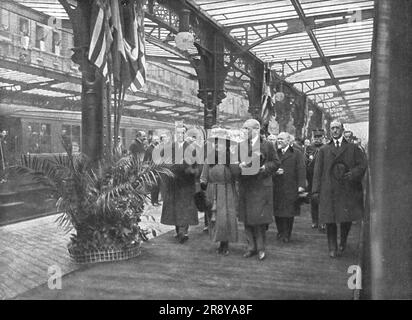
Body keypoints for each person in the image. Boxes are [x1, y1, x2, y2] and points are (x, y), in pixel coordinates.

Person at [312, 120, 367, 258]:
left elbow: (362, 165)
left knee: (345, 219)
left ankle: (343, 241)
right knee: (330, 220)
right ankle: (332, 248)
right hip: (328, 189)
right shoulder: (323, 150)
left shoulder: (353, 148)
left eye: (337, 128)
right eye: (332, 128)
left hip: (347, 189)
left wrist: (353, 174)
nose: (334, 131)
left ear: (342, 129)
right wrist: (315, 191)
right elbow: (317, 172)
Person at [238, 119, 280, 261]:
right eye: (243, 128)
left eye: (246, 128)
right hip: (246, 186)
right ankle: (251, 247)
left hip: (261, 186)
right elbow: (235, 163)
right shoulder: (240, 146)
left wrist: (264, 168)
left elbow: (276, 162)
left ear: (256, 129)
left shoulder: (268, 145)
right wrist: (239, 166)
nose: (244, 131)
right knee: (247, 219)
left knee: (259, 219)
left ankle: (261, 248)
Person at [200, 128, 240, 255]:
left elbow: (236, 174)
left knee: (226, 219)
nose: (217, 145)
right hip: (212, 191)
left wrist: (234, 162)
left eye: (221, 142)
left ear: (226, 145)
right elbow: (204, 175)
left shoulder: (232, 158)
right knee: (215, 219)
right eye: (216, 142)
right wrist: (202, 184)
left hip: (227, 191)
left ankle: (225, 244)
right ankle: (219, 242)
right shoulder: (209, 159)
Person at [160, 126, 200, 243]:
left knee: (185, 207)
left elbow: (198, 164)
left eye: (182, 133)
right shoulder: (169, 147)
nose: (179, 135)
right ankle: (178, 230)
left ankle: (184, 232)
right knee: (175, 208)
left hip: (186, 182)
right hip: (173, 182)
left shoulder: (192, 148)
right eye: (177, 133)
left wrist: (193, 171)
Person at [273, 132, 306, 243]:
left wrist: (301, 186)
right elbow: (270, 167)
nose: (279, 141)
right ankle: (280, 231)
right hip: (277, 187)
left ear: (288, 141)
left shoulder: (296, 153)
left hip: (290, 187)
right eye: (278, 139)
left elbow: (301, 170)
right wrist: (274, 172)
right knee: (277, 212)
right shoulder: (274, 153)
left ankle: (287, 234)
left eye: (281, 139)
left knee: (289, 212)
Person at [305, 129, 326, 230]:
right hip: (312, 177)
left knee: (324, 200)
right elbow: (306, 162)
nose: (317, 139)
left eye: (319, 137)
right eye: (316, 137)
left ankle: (323, 222)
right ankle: (314, 221)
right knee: (314, 200)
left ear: (323, 137)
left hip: (323, 177)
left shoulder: (326, 147)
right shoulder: (309, 148)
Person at [144, 136, 161, 206]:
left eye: (157, 140)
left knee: (158, 185)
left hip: (158, 169)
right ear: (153, 141)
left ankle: (156, 201)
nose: (157, 141)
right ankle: (153, 201)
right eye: (155, 140)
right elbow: (146, 160)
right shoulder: (149, 149)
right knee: (154, 185)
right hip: (152, 170)